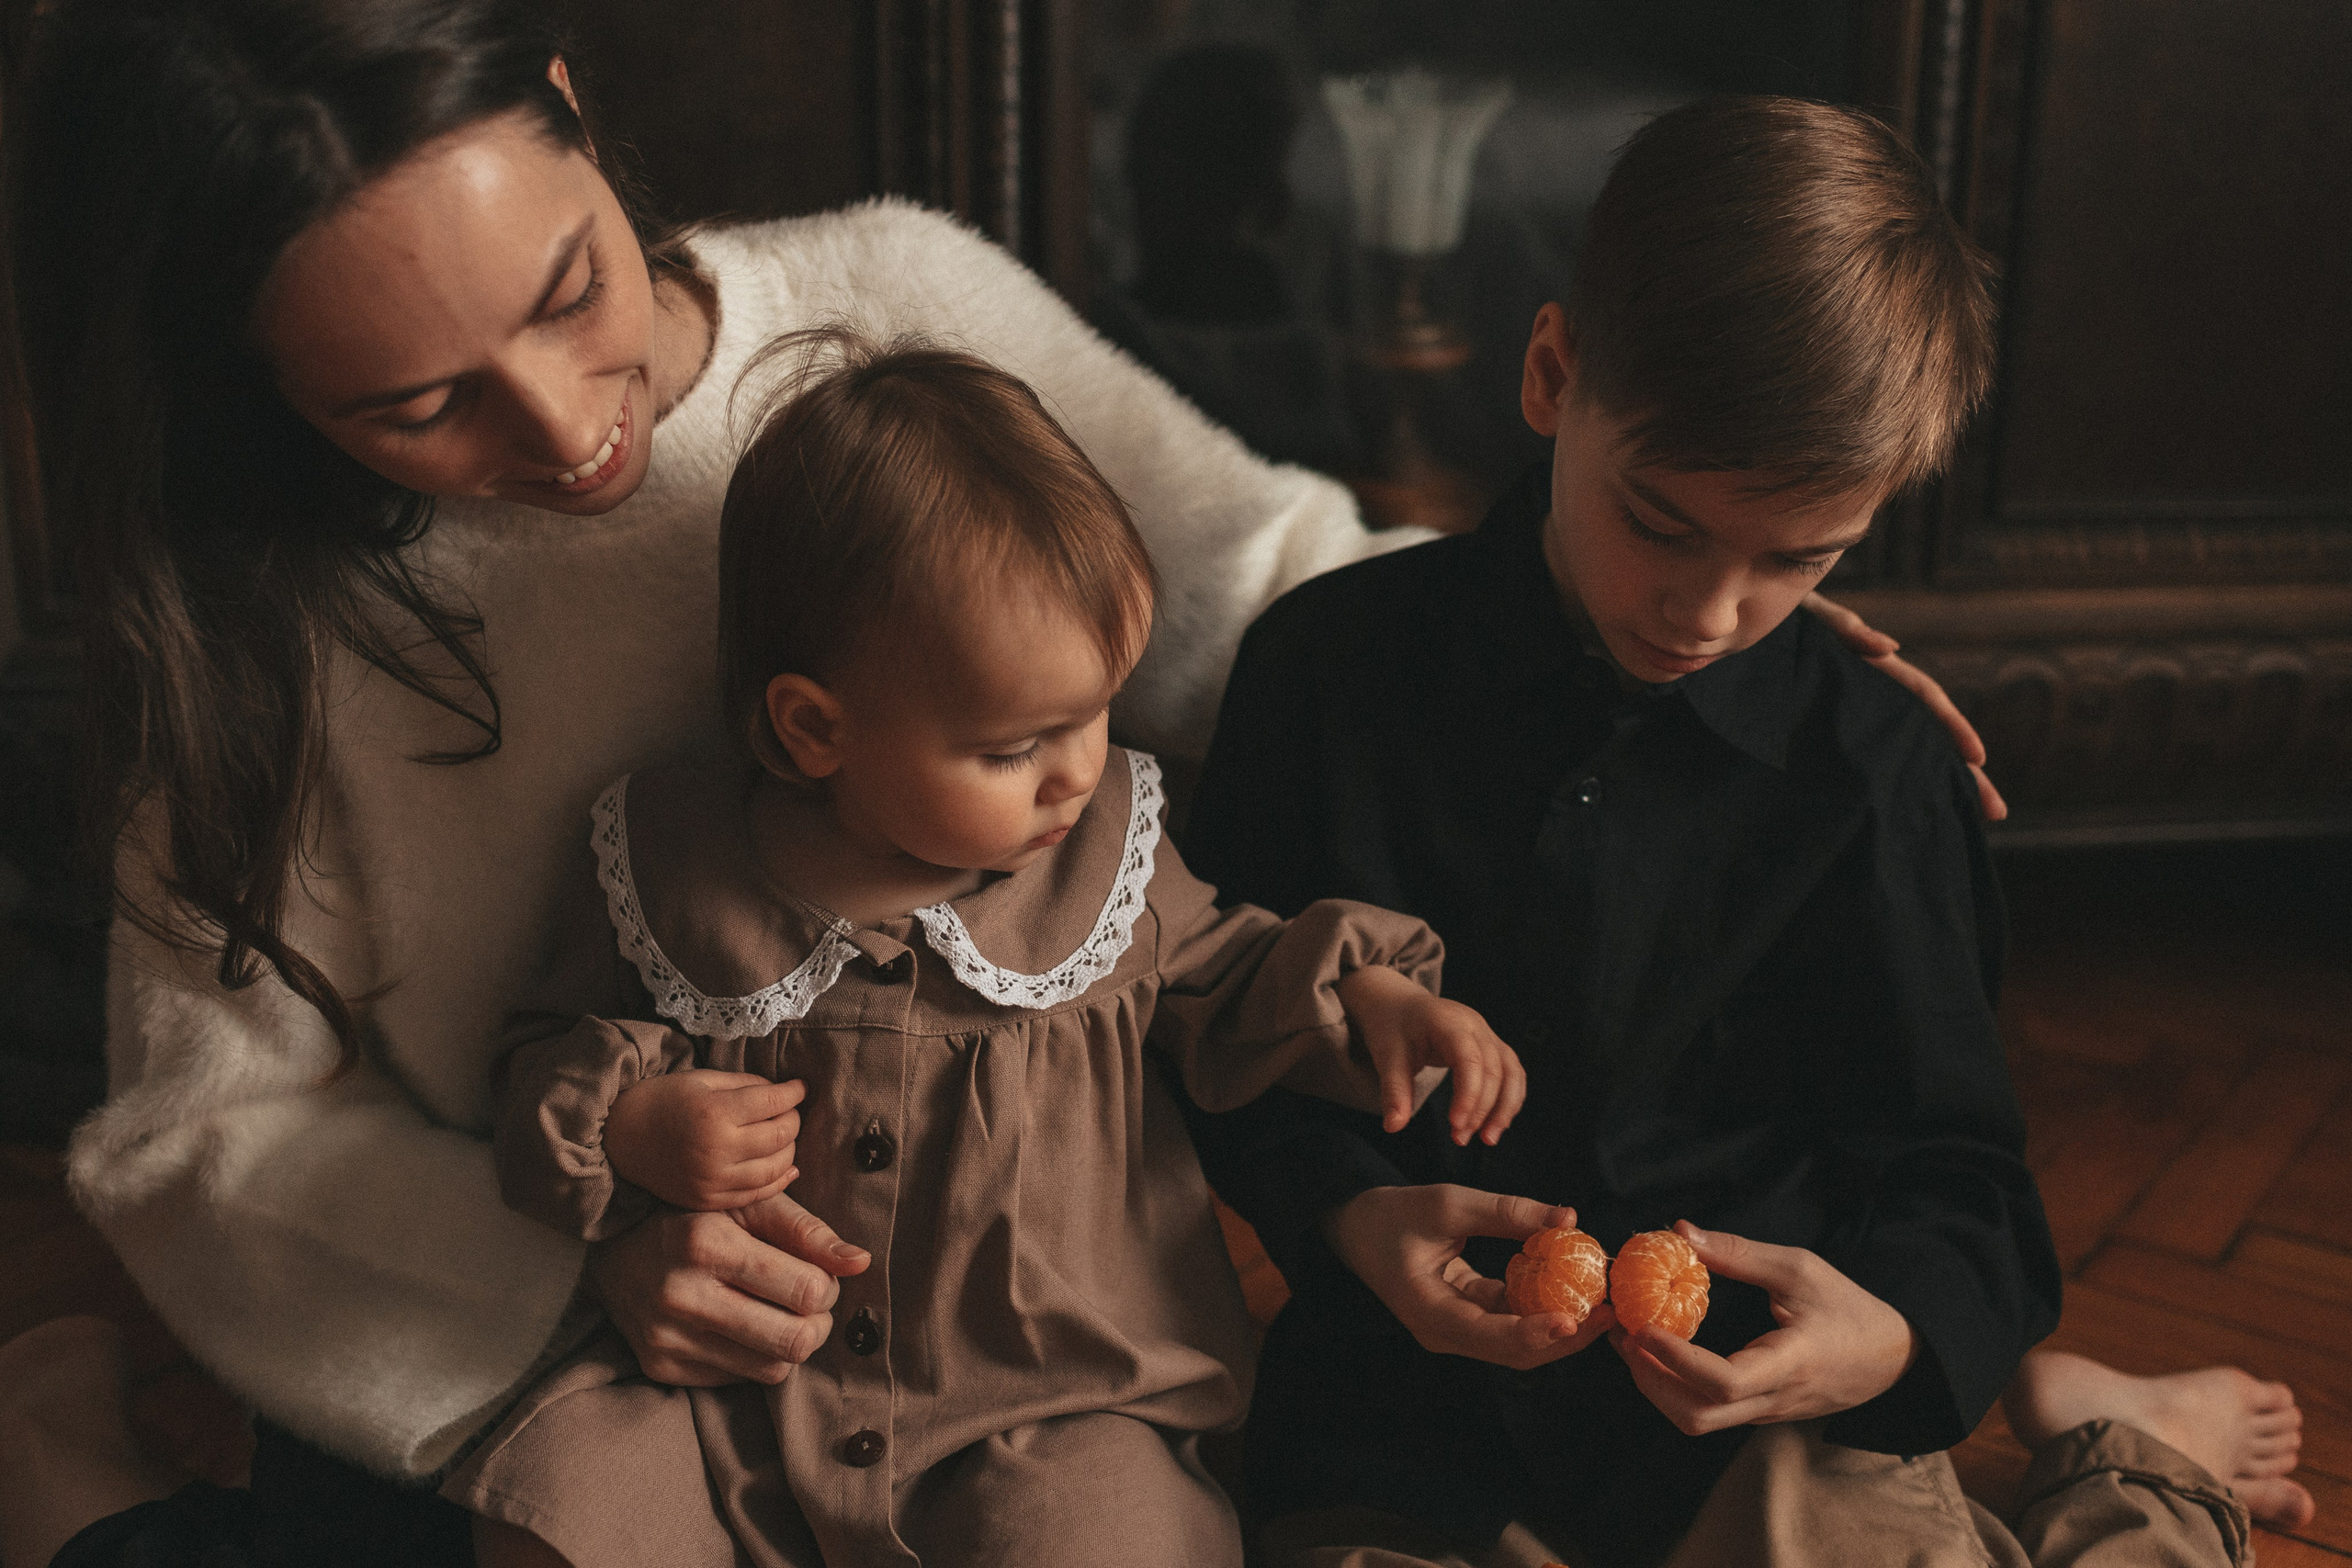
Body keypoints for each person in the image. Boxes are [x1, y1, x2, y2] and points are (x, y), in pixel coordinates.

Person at [0, 0, 1976, 1558]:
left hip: (1008, 1338)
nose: (565, 426)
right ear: (259, 394)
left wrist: (1677, 616)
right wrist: (581, 1255)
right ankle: (64, 1452)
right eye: (413, 406)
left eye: (568, 288)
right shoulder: (252, 621)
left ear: (583, 118)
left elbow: (1258, 571)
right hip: (560, 1322)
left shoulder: (886, 304)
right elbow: (201, 1140)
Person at [1179, 96, 2312, 1568]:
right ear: (1548, 374)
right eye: (1660, 525)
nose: (1708, 614)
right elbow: (1221, 1034)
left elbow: (1956, 1170)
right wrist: (1348, 1229)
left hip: (1774, 1426)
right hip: (1409, 1419)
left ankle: (2128, 1454)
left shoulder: (1876, 766)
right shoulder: (1323, 675)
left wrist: (1891, 1340)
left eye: (1799, 561)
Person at [435, 331, 1524, 1568]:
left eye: (1097, 711)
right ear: (815, 729)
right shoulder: (671, 855)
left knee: (1105, 1536)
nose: (1075, 772)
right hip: (731, 1398)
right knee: (569, 1497)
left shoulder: (1106, 853)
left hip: (1044, 1407)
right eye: (1013, 748)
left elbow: (1229, 970)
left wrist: (1371, 997)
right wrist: (633, 1128)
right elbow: (538, 1062)